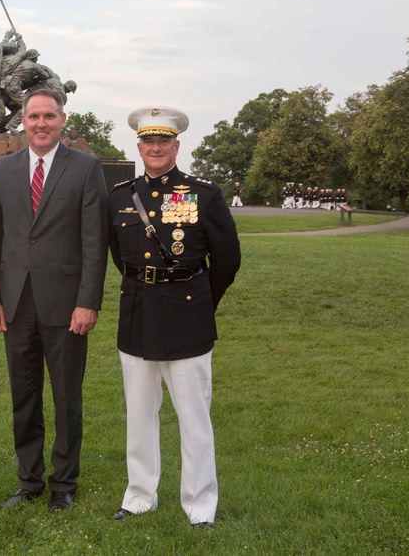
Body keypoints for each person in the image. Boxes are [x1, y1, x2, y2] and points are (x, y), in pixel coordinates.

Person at [107, 106, 241, 527]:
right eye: (149, 141)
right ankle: (139, 496)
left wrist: (200, 298)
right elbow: (118, 254)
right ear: (139, 146)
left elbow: (228, 258)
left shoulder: (202, 193)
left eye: (163, 141)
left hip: (188, 314)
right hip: (137, 312)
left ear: (177, 146)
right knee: (139, 414)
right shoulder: (120, 195)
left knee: (194, 416)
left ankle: (200, 505)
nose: (156, 147)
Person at [0, 88, 109, 512]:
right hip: (16, 303)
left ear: (62, 120)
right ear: (22, 120)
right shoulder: (4, 170)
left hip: (67, 304)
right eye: (33, 116)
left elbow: (95, 240)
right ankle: (29, 480)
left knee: (66, 396)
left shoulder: (87, 168)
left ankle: (64, 483)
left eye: (48, 116)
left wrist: (88, 301)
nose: (40, 124)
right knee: (24, 396)